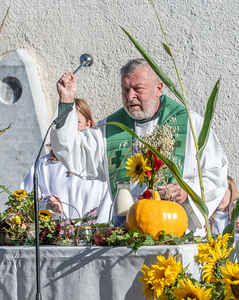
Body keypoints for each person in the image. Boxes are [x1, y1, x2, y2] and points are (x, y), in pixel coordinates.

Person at [50, 58, 228, 236]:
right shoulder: (111, 128)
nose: (130, 96)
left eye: (138, 89)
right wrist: (66, 99)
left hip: (179, 237)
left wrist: (188, 191)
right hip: (128, 236)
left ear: (158, 88)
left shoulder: (190, 124)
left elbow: (216, 173)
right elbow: (72, 150)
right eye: (125, 89)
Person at [20, 98, 112, 223]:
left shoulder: (99, 161)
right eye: (67, 124)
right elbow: (24, 201)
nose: (70, 129)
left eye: (77, 122)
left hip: (93, 237)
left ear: (88, 124)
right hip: (55, 238)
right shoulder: (45, 165)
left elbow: (110, 203)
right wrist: (46, 202)